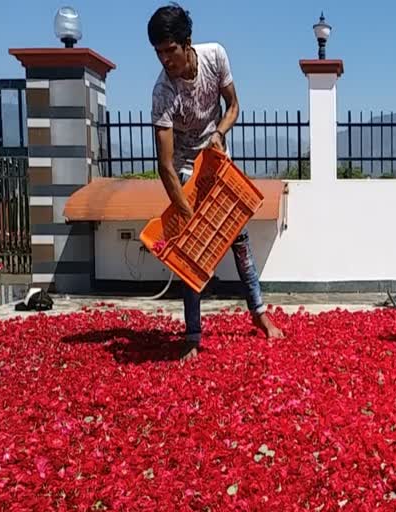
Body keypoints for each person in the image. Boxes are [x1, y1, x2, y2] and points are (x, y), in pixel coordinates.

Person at [148, 3, 284, 360]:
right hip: (184, 173)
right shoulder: (162, 93)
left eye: (170, 50)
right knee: (192, 256)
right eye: (158, 53)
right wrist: (184, 208)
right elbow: (163, 164)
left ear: (187, 43)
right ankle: (193, 334)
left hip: (216, 159)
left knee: (239, 241)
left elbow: (234, 106)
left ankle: (260, 315)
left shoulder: (215, 56)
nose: (165, 60)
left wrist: (220, 134)